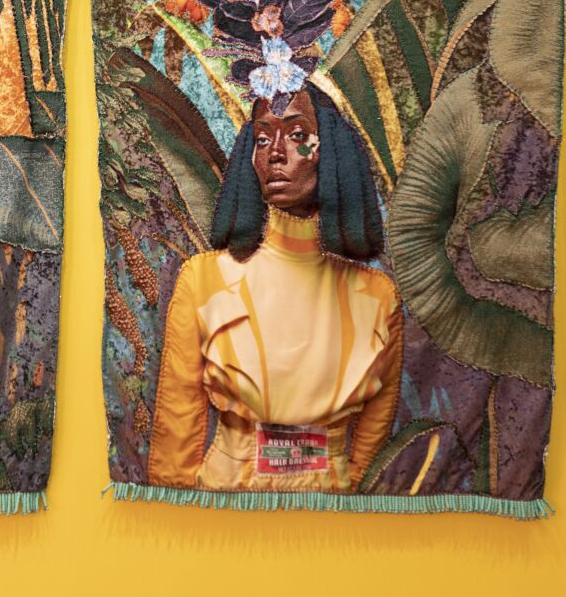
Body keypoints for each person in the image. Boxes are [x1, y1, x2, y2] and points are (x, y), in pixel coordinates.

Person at [148, 81, 404, 493]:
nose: (276, 153)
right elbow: (178, 426)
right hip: (223, 514)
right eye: (262, 138)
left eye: (299, 135)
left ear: (331, 151)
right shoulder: (203, 281)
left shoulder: (376, 296)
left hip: (336, 524)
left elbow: (371, 447)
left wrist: (349, 497)